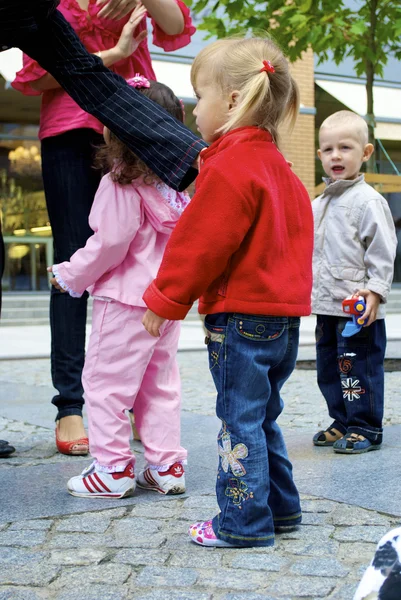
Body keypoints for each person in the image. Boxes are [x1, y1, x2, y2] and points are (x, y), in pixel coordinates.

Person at [142, 37, 314, 548]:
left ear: (234, 100)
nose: (195, 110)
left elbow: (201, 241)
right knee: (262, 416)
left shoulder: (229, 165)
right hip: (280, 318)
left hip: (239, 316)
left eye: (201, 96)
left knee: (237, 421)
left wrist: (165, 299)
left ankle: (242, 523)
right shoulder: (279, 167)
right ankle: (281, 511)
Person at [11, 0, 195, 456]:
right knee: (75, 260)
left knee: (147, 251)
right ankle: (70, 405)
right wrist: (113, 54)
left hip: (136, 121)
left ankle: (135, 399)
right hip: (70, 129)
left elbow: (176, 26)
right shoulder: (50, 4)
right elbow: (33, 77)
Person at [49, 77, 188, 498]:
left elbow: (110, 242)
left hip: (124, 301)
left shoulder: (120, 180)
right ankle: (167, 465)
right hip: (164, 301)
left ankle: (112, 469)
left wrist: (71, 274)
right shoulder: (178, 187)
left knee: (105, 384)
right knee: (158, 384)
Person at [311, 111, 397, 455]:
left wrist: (376, 291)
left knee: (357, 368)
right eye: (328, 149)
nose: (335, 155)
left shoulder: (369, 201)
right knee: (329, 368)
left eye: (345, 147)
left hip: (358, 310)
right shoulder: (317, 204)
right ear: (319, 155)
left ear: (365, 152)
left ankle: (365, 425)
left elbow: (382, 250)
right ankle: (342, 420)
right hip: (326, 306)